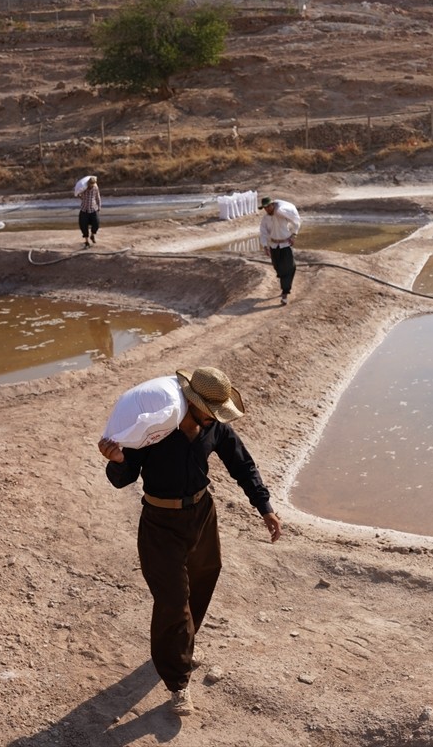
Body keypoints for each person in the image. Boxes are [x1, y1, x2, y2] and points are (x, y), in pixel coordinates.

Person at [97, 366, 283, 717]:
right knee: (172, 601)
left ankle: (180, 644)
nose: (216, 419)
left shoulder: (214, 428)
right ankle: (177, 682)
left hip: (201, 513)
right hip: (159, 524)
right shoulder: (154, 429)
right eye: (211, 412)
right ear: (190, 402)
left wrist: (265, 506)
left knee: (206, 576)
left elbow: (243, 465)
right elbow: (122, 478)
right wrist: (117, 461)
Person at [258, 196, 301, 305]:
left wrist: (294, 235)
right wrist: (265, 246)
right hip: (274, 246)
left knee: (289, 268)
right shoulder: (265, 219)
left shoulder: (282, 213)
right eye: (265, 207)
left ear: (273, 205)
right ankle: (284, 284)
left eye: (268, 206)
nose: (267, 209)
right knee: (278, 267)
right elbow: (263, 233)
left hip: (285, 245)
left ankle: (285, 293)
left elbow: (296, 222)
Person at [79, 177, 101, 248]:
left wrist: (99, 206)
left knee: (96, 223)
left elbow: (98, 197)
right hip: (84, 210)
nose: (92, 185)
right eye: (91, 184)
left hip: (93, 209)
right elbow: (79, 195)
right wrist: (80, 196)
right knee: (83, 226)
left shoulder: (95, 188)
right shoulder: (83, 188)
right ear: (88, 183)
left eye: (93, 184)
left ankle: (92, 235)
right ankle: (86, 241)